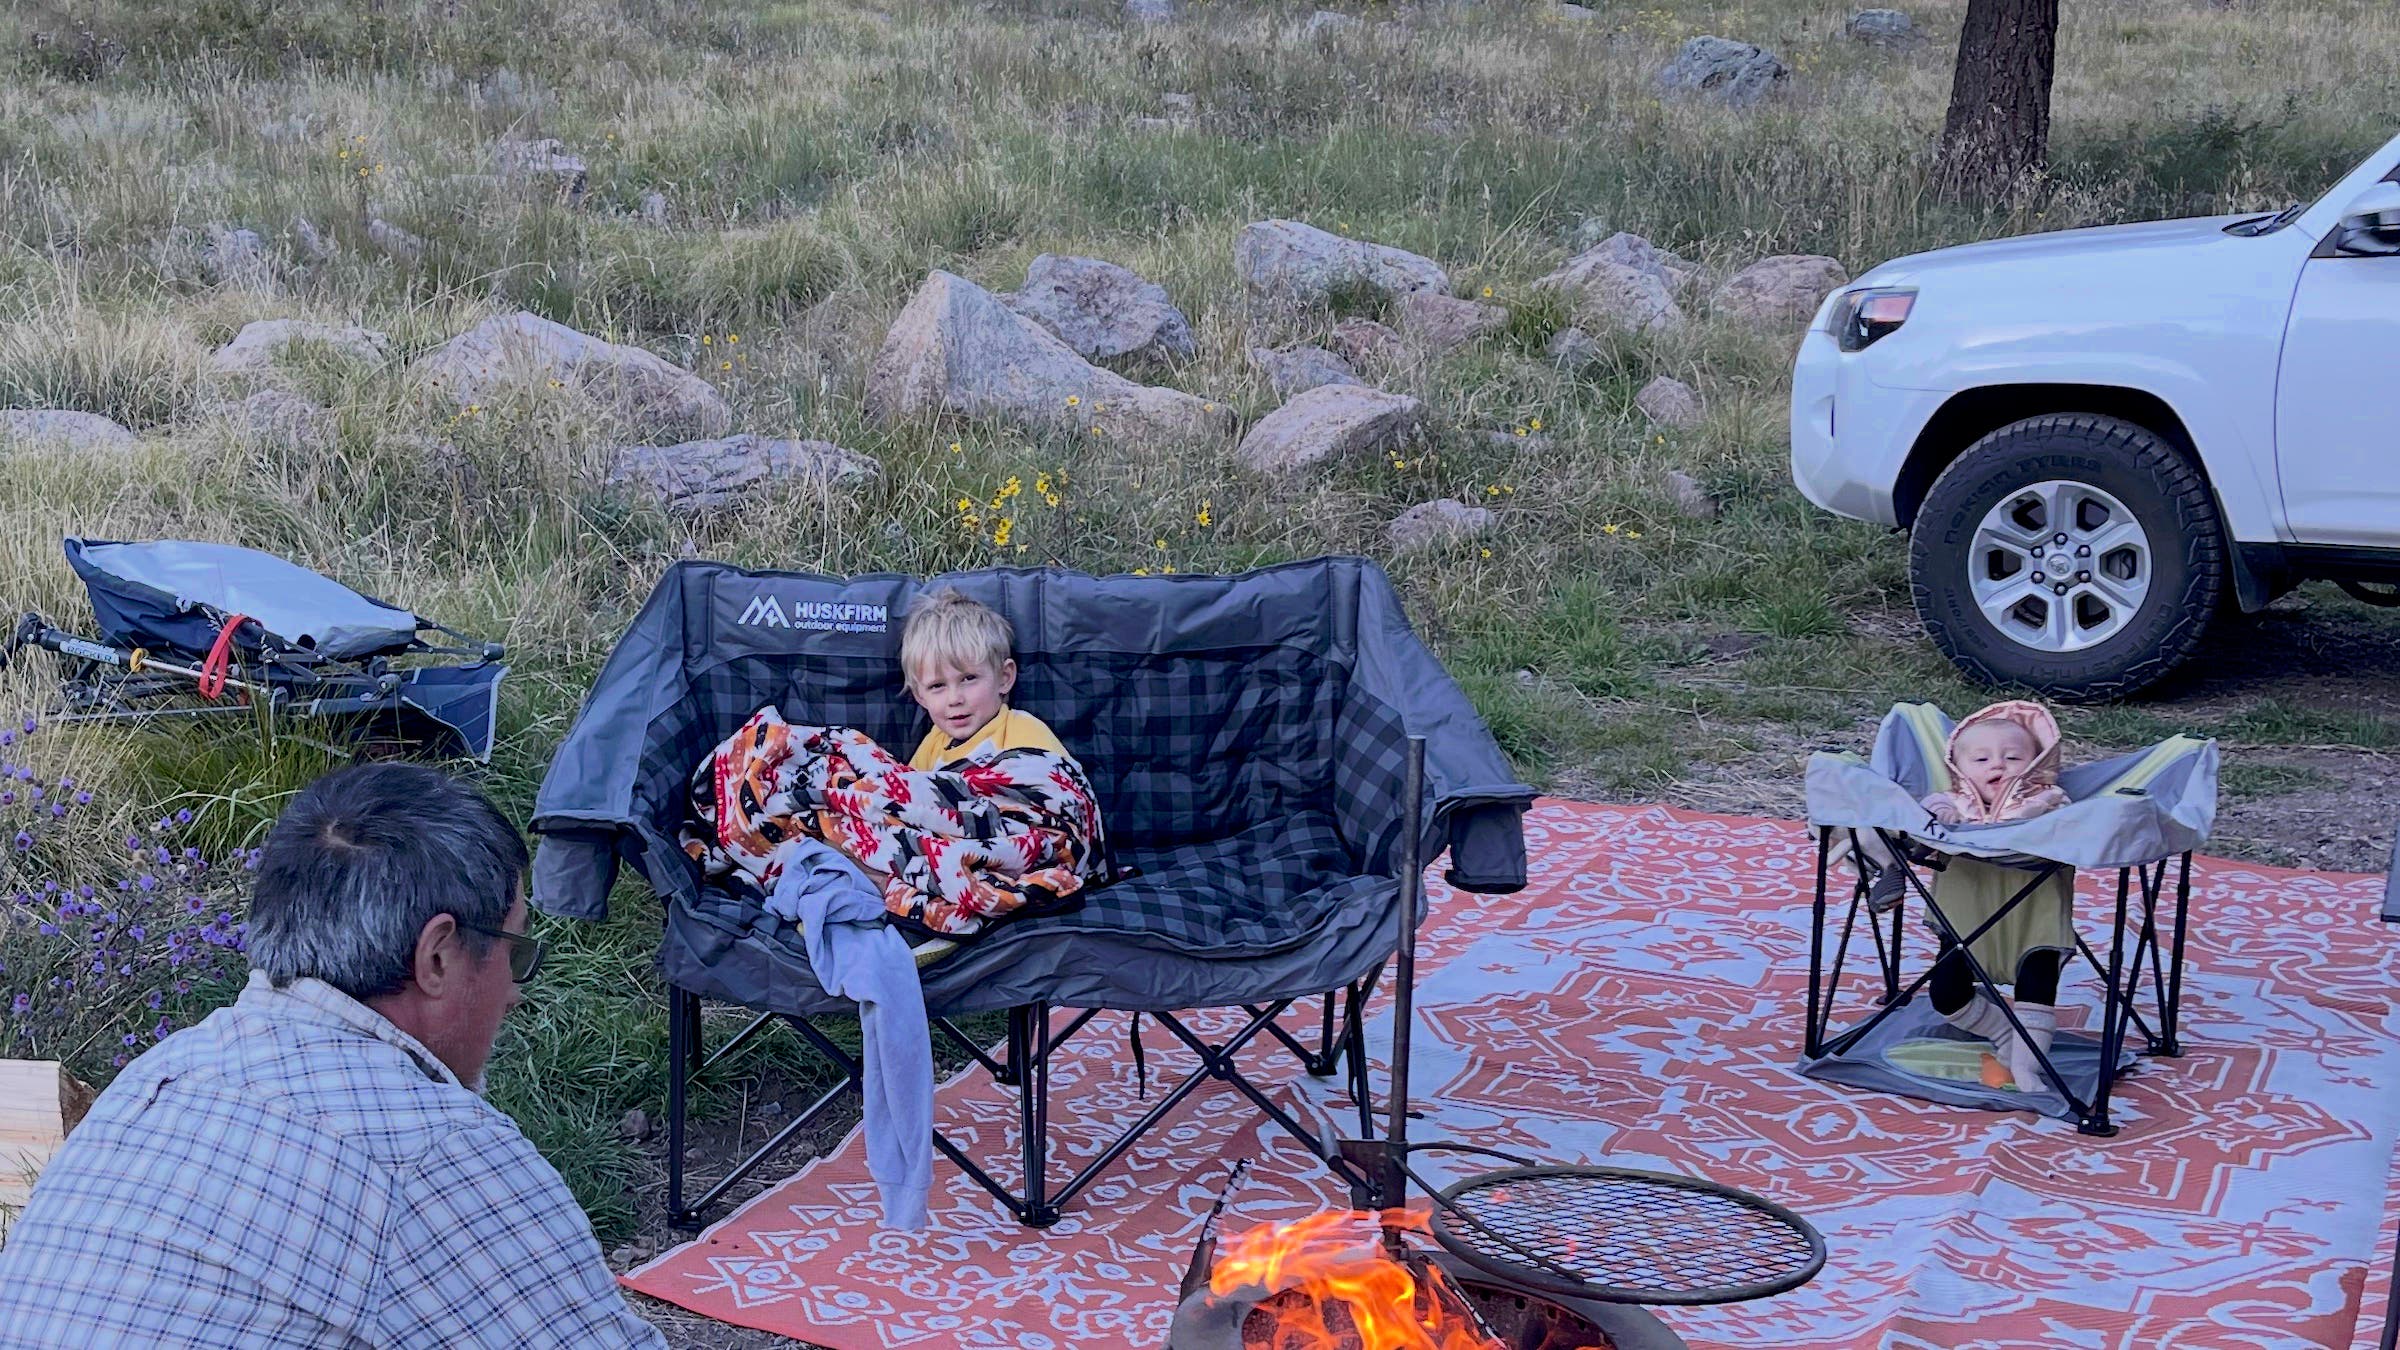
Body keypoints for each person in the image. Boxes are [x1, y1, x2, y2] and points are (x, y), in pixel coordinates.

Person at [0, 764, 666, 1349]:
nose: (515, 992)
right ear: (437, 956)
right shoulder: (429, 1150)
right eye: (515, 951)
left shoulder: (159, 1077)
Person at [1915, 700, 2076, 1093]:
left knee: (2037, 988)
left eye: (2013, 757)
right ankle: (2004, 1033)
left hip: (2033, 915)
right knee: (1946, 994)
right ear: (1958, 767)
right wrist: (1938, 816)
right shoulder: (1951, 801)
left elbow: (2074, 822)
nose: (1998, 765)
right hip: (1964, 915)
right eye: (1981, 758)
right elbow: (1922, 818)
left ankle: (2026, 1066)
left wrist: (2039, 816)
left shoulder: (2047, 798)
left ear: (2036, 764)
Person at [901, 586, 1071, 770]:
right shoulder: (933, 744)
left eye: (968, 678)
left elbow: (1062, 783)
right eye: (937, 686)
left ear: (1004, 677)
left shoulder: (1025, 733)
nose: (955, 699)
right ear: (920, 695)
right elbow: (907, 786)